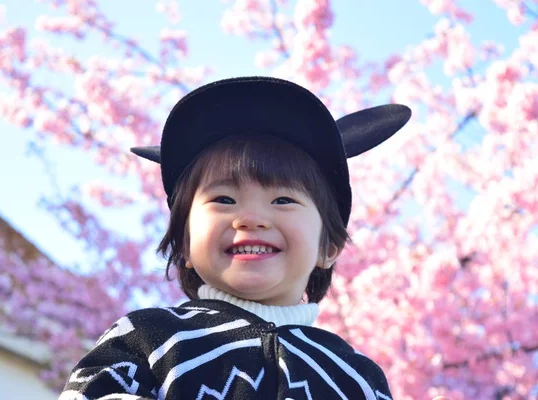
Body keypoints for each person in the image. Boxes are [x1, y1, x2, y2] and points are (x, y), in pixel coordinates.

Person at [59, 76, 411, 400]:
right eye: (224, 200)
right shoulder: (147, 336)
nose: (251, 219)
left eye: (283, 200)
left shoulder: (354, 375)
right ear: (185, 243)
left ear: (328, 246)